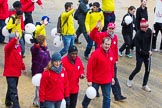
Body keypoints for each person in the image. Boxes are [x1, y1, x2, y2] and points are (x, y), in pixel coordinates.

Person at [90, 22, 126, 101]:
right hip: (100, 61)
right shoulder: (101, 35)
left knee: (113, 78)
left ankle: (117, 95)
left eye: (112, 29)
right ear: (107, 28)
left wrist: (116, 59)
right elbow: (92, 36)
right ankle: (93, 92)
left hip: (111, 61)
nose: (111, 30)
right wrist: (96, 28)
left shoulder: (115, 37)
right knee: (97, 78)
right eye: (110, 28)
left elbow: (115, 49)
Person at [82, 37, 115, 108]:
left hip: (107, 80)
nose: (107, 46)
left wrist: (112, 77)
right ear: (102, 44)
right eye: (106, 44)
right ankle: (84, 105)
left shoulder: (111, 53)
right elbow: (90, 67)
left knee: (107, 98)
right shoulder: (95, 54)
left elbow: (112, 66)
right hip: (96, 79)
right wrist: (89, 80)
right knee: (90, 94)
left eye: (109, 44)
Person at [127, 19, 152, 92]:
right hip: (140, 54)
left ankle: (144, 85)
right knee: (138, 68)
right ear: (141, 27)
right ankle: (130, 79)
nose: (146, 28)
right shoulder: (138, 34)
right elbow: (138, 49)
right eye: (145, 27)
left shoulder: (149, 31)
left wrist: (154, 34)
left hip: (147, 54)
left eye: (147, 27)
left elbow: (151, 41)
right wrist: (148, 52)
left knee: (148, 69)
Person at [3, 33, 26, 108]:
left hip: (16, 73)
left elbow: (20, 58)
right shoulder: (8, 48)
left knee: (11, 88)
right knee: (13, 90)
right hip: (10, 73)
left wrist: (23, 68)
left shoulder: (18, 47)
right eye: (17, 39)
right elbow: (9, 45)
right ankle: (16, 105)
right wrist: (15, 38)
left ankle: (8, 101)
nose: (18, 40)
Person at [30, 35, 50, 107]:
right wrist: (36, 44)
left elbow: (49, 58)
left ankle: (36, 101)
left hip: (45, 72)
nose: (46, 42)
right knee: (39, 88)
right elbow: (35, 49)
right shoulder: (35, 49)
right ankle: (39, 103)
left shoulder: (46, 49)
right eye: (45, 41)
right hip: (38, 72)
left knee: (40, 88)